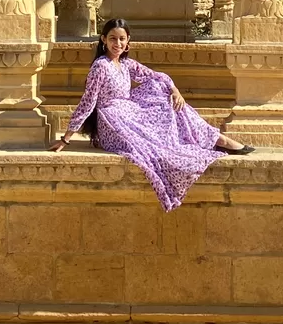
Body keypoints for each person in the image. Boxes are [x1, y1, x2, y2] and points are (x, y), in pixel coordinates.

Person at [49, 18, 254, 211]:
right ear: (103, 40)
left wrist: (175, 91)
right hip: (112, 119)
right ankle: (216, 140)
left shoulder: (126, 64)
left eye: (122, 39)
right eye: (112, 38)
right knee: (155, 148)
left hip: (128, 110)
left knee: (162, 91)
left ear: (128, 41)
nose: (117, 43)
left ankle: (214, 137)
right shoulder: (100, 66)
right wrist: (66, 139)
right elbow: (88, 102)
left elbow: (157, 76)